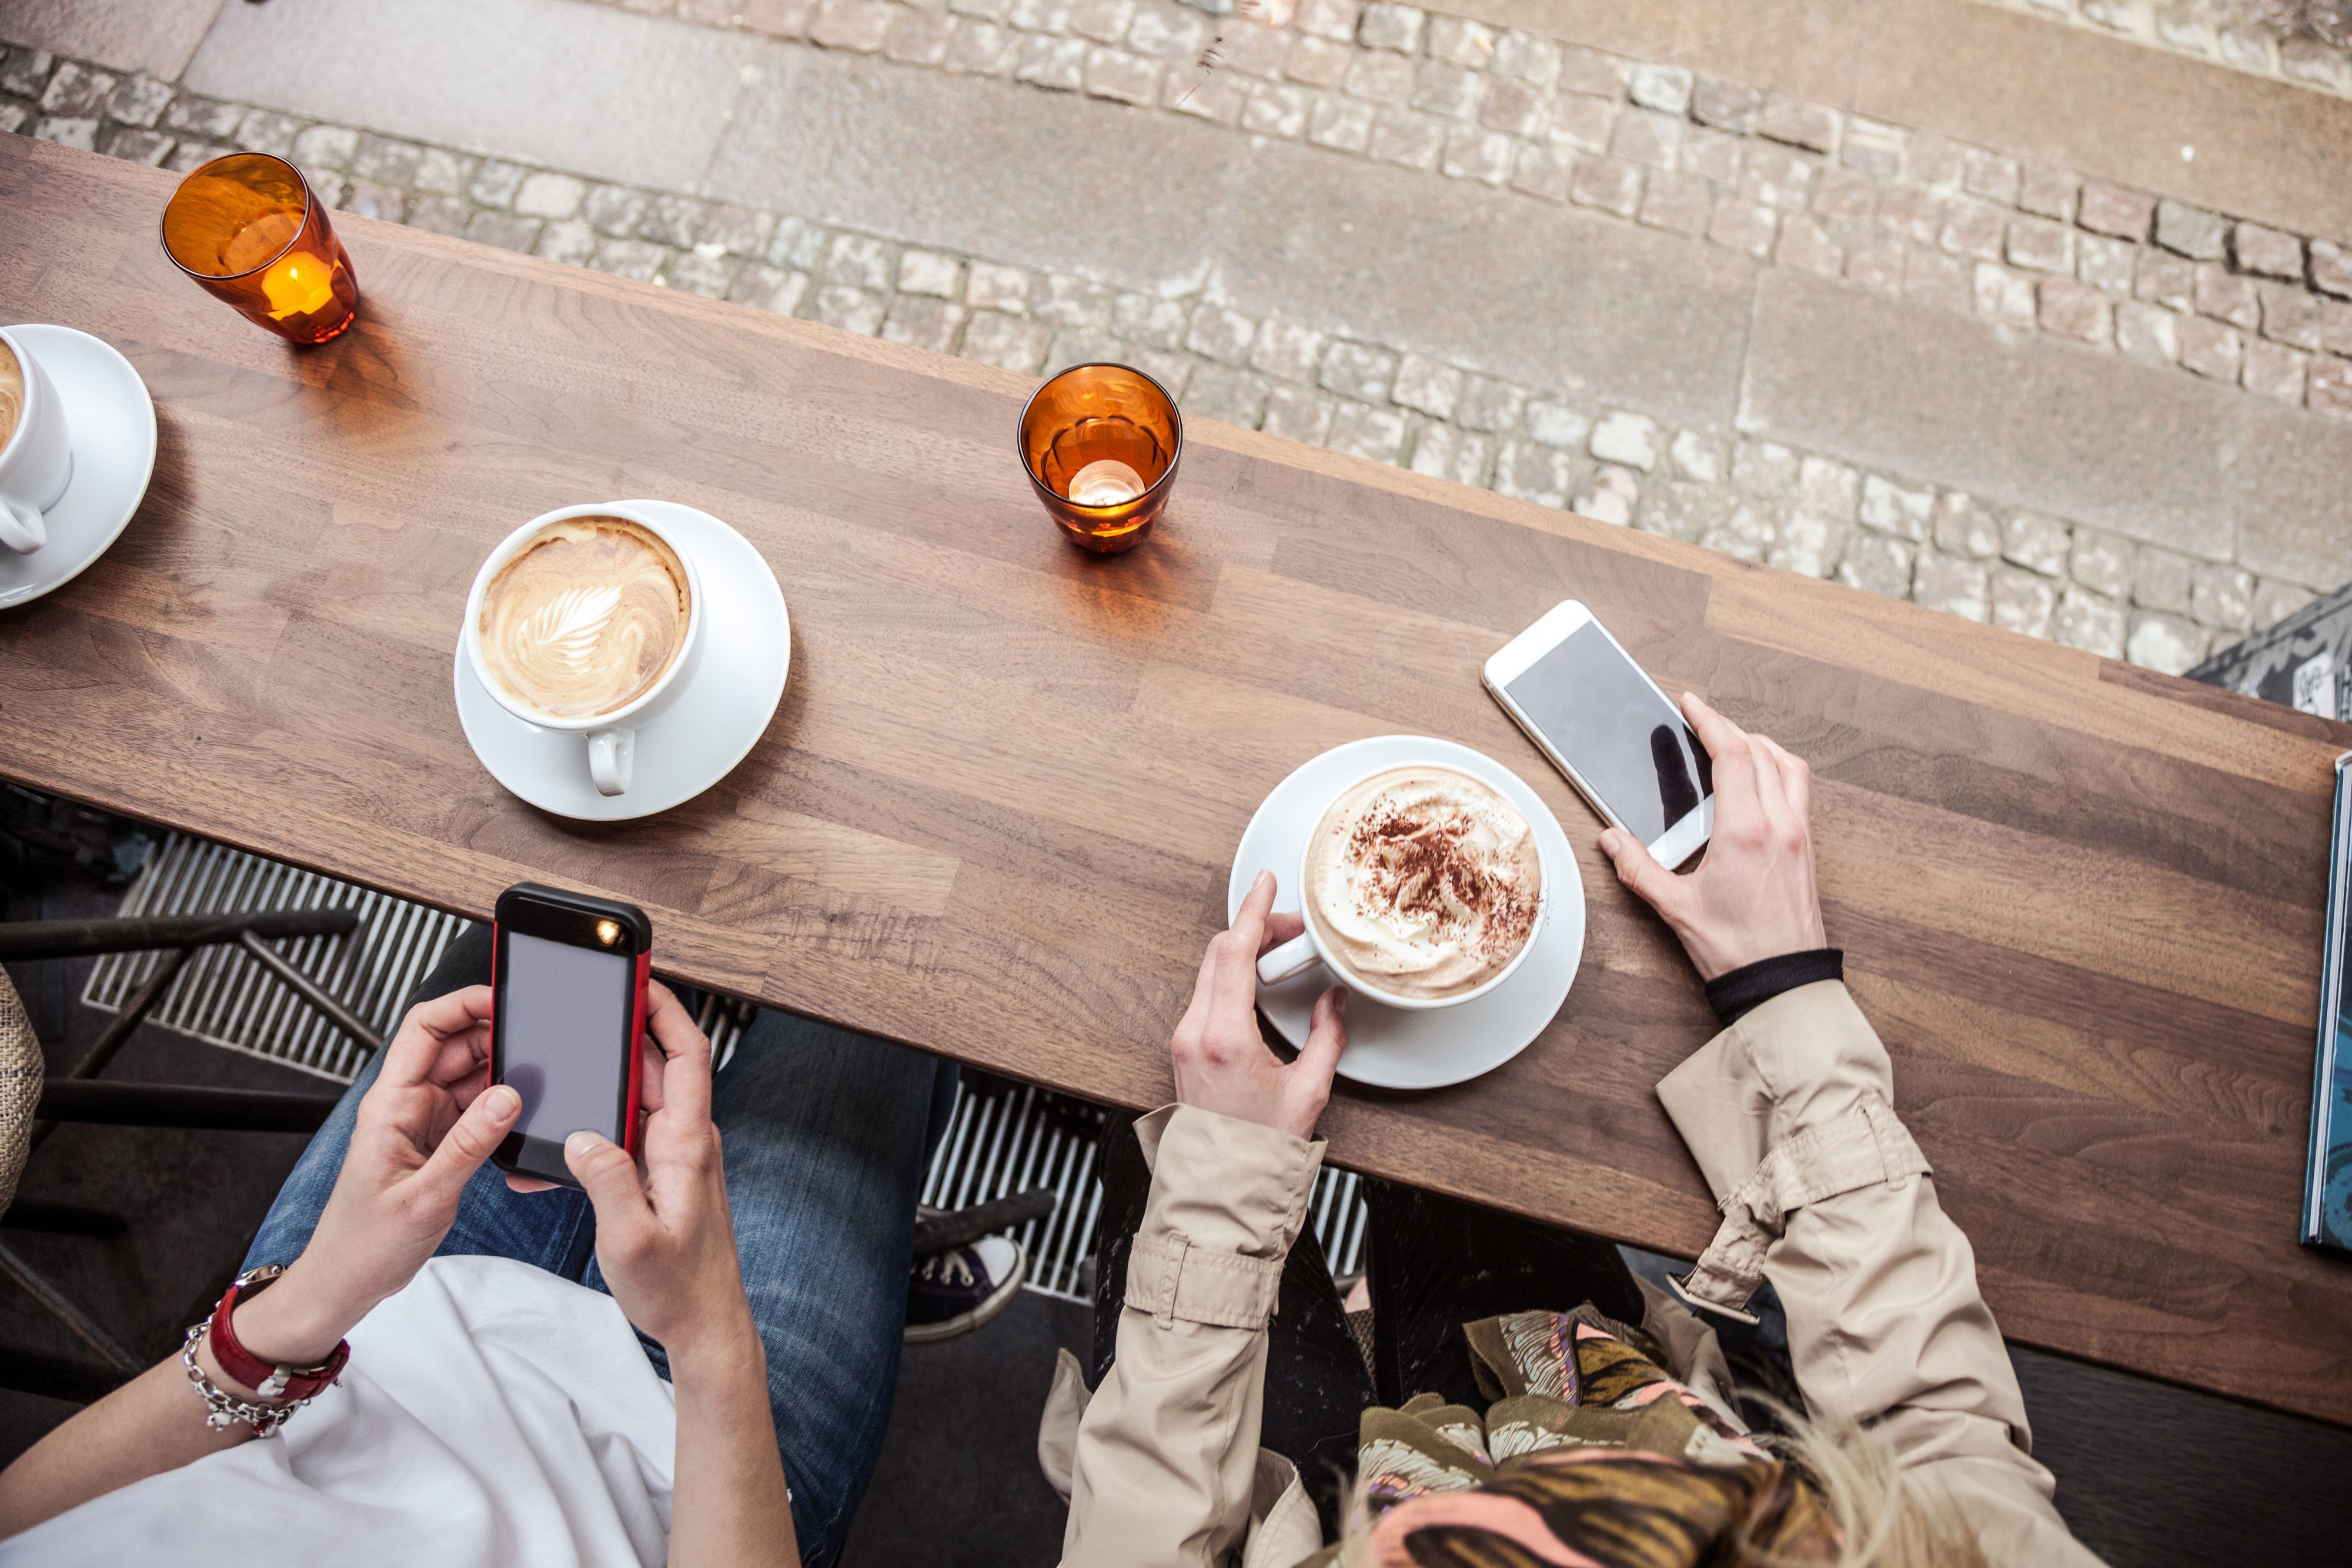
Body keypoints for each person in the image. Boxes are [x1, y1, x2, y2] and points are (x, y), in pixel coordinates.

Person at [1041, 693, 2104, 1566]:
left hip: (1289, 1520)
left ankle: (1366, 1318)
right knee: (1466, 1176)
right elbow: (1940, 1437)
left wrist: (1220, 1179)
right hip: (1590, 1380)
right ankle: (1398, 1316)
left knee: (1145, 1130)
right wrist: (1785, 987)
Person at [0, 924, 965, 1567]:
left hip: (345, 1324)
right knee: (880, 970)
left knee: (525, 916)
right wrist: (713, 1337)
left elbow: (22, 1519)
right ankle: (888, 1259)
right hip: (693, 1469)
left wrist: (310, 1298)